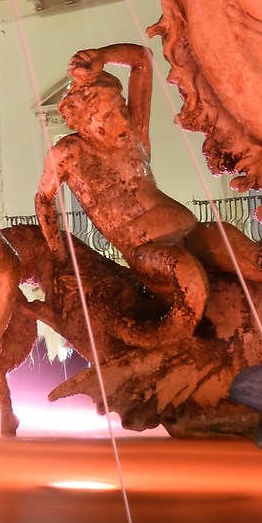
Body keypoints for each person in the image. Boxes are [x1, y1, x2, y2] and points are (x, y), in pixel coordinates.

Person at [35, 44, 207, 343]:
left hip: (192, 229)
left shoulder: (134, 136)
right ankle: (169, 340)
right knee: (188, 274)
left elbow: (142, 60)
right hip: (149, 253)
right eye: (109, 115)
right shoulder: (69, 154)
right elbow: (43, 199)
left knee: (237, 249)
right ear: (84, 122)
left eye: (123, 109)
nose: (124, 121)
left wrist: (101, 57)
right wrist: (59, 256)